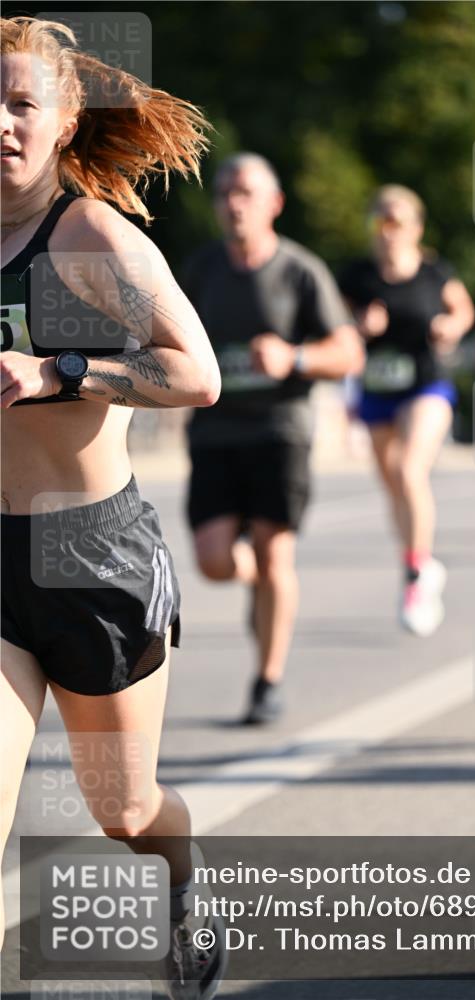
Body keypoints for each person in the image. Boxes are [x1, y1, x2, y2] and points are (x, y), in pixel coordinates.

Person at [1, 17, 225, 998]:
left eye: (21, 104)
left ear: (61, 126)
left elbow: (196, 373)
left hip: (92, 559)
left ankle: (183, 879)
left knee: (125, 812)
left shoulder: (87, 236)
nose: (0, 122)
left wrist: (60, 368)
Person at [182, 153, 363, 724]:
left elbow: (349, 351)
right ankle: (256, 578)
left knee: (275, 548)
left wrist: (295, 356)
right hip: (214, 431)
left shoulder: (300, 271)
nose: (234, 204)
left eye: (247, 193)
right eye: (225, 194)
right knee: (213, 562)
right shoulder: (200, 269)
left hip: (279, 431)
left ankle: (268, 679)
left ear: (274, 204)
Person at [339, 185, 475, 636]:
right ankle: (418, 562)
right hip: (377, 389)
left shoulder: (434, 274)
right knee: (393, 483)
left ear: (415, 229)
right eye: (381, 220)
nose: (388, 230)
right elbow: (335, 328)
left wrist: (448, 327)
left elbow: (464, 310)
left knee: (409, 468)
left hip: (425, 385)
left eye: (397, 221)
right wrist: (359, 327)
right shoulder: (357, 277)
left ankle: (417, 574)